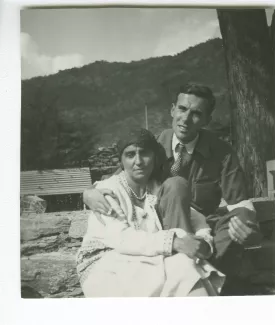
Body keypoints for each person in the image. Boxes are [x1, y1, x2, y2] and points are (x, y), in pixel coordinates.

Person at [83, 82, 261, 282]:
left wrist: (249, 227)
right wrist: (88, 192)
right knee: (176, 185)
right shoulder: (154, 145)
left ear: (206, 120)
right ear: (172, 109)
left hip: (203, 230)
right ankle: (195, 270)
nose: (186, 119)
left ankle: (198, 265)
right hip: (164, 226)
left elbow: (240, 204)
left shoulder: (221, 151)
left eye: (196, 114)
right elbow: (122, 175)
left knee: (242, 217)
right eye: (182, 109)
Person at [77, 128, 225, 297]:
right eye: (130, 155)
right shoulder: (108, 190)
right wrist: (174, 242)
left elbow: (196, 218)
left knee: (184, 265)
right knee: (180, 268)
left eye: (144, 153)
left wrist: (204, 241)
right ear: (121, 161)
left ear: (154, 157)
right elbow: (121, 238)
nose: (138, 161)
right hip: (107, 262)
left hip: (145, 257)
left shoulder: (156, 189)